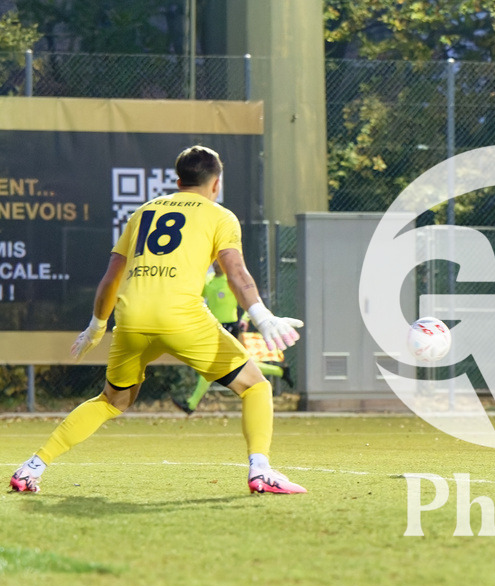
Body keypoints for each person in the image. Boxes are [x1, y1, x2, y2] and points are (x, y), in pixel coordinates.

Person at [10, 145, 307, 494]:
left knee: (112, 401)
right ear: (216, 184)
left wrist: (96, 326)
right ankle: (260, 471)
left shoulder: (142, 212)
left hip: (131, 318)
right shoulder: (219, 215)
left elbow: (111, 279)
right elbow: (236, 273)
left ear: (178, 180)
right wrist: (262, 315)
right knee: (255, 385)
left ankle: (32, 467)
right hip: (182, 319)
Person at [173, 261, 293, 416]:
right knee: (235, 363)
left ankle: (191, 404)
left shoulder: (230, 280)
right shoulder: (208, 280)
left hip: (230, 326)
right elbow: (196, 299)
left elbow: (247, 299)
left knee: (212, 364)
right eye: (214, 262)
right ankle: (280, 371)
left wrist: (244, 318)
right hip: (213, 326)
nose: (217, 264)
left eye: (219, 262)